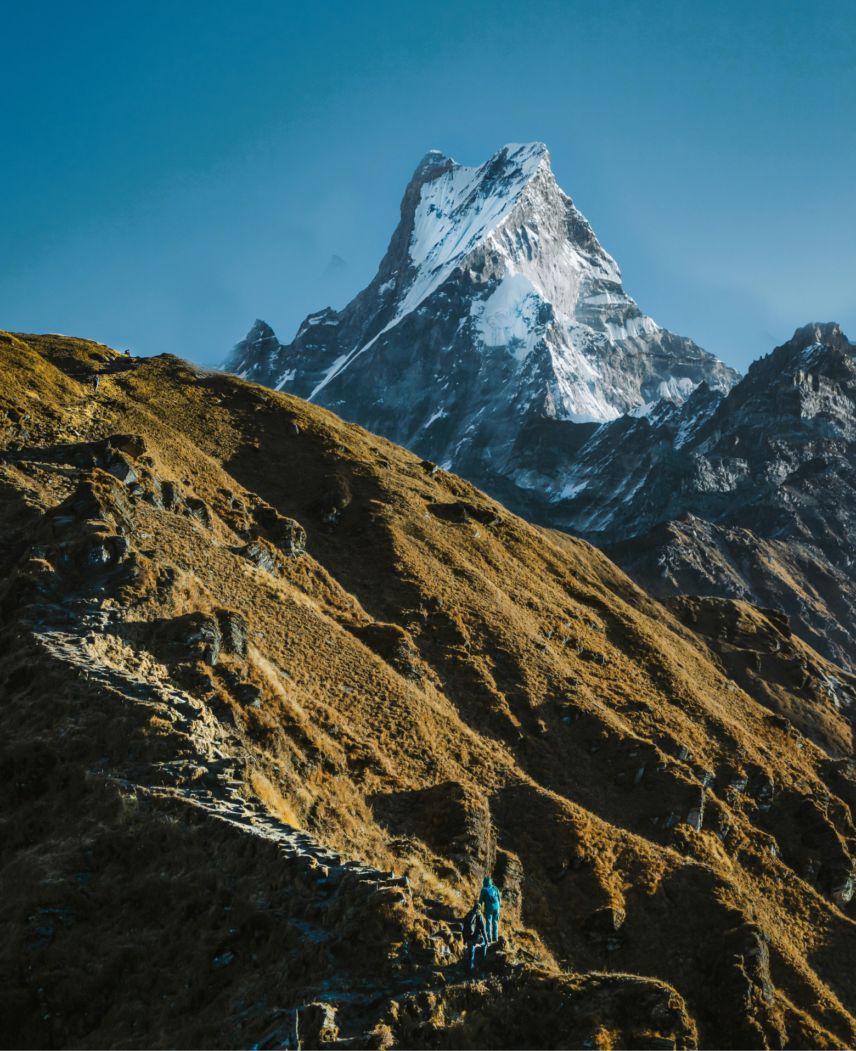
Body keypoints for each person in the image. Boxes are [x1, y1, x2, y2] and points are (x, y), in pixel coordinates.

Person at [461, 901, 488, 970]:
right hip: (476, 937)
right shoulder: (479, 915)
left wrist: (464, 939)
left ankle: (471, 971)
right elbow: (483, 929)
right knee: (484, 944)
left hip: (468, 937)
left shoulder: (468, 915)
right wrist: (486, 939)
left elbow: (463, 928)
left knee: (471, 955)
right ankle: (483, 960)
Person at [479, 875, 502, 942]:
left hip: (489, 907)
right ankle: (495, 938)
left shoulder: (484, 889)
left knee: (488, 922)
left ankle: (489, 938)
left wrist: (479, 908)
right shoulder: (495, 888)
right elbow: (499, 899)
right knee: (495, 922)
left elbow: (480, 900)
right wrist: (499, 907)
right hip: (497, 907)